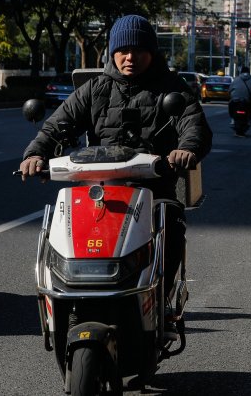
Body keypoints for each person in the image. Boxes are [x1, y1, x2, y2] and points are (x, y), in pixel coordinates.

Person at [19, 15, 213, 299]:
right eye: (122, 50)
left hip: (153, 187)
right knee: (62, 227)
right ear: (112, 53)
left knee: (170, 223)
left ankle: (161, 301)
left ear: (152, 52)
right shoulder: (95, 89)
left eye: (138, 50)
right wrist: (36, 153)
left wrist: (186, 149)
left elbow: (194, 126)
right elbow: (59, 125)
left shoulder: (173, 88)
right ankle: (62, 298)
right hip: (99, 187)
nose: (129, 57)